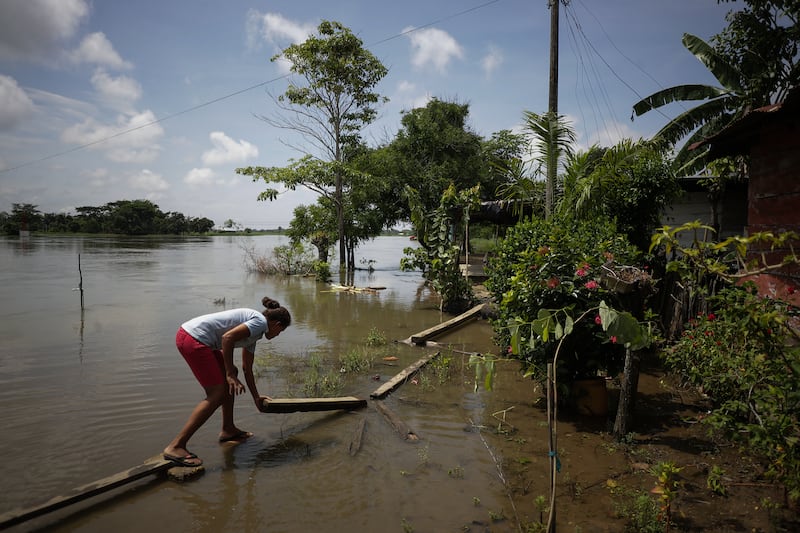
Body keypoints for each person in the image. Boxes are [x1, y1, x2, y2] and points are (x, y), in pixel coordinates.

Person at [163, 296, 291, 466]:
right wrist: (229, 374)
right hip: (193, 338)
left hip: (197, 339)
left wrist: (256, 398)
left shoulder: (256, 332)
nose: (277, 335)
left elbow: (247, 368)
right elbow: (227, 338)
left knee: (234, 373)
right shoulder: (260, 322)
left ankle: (228, 429)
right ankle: (176, 445)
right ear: (277, 325)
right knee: (217, 393)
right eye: (280, 332)